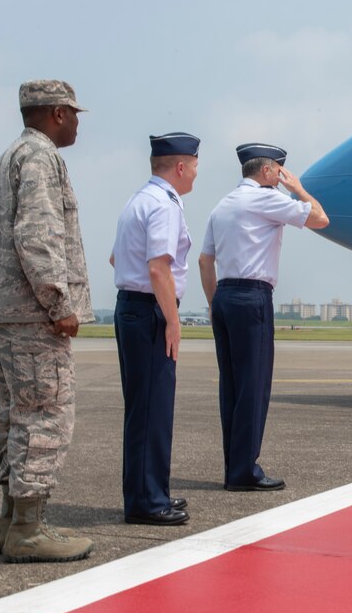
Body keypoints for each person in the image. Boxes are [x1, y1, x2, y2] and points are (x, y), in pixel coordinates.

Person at [0, 80, 94, 563]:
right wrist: (58, 302)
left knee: (12, 417)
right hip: (32, 317)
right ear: (58, 113)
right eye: (74, 113)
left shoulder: (8, 158)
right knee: (45, 415)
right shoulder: (41, 159)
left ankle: (11, 519)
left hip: (4, 315)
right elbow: (37, 234)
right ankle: (28, 527)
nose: (78, 123)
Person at [198, 143, 329, 491]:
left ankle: (234, 466)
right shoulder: (266, 199)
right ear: (268, 171)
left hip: (224, 295)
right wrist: (298, 189)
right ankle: (244, 472)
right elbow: (320, 218)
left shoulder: (222, 205)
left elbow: (204, 261)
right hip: (251, 297)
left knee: (233, 387)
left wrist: (213, 303)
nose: (280, 176)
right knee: (254, 386)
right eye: (278, 171)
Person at [110, 133, 199, 525]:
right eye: (195, 165)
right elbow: (158, 268)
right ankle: (147, 501)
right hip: (150, 312)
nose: (197, 173)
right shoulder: (164, 206)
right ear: (180, 167)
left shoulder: (137, 200)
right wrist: (173, 321)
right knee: (152, 409)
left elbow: (117, 259)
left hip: (133, 307)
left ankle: (152, 491)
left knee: (146, 407)